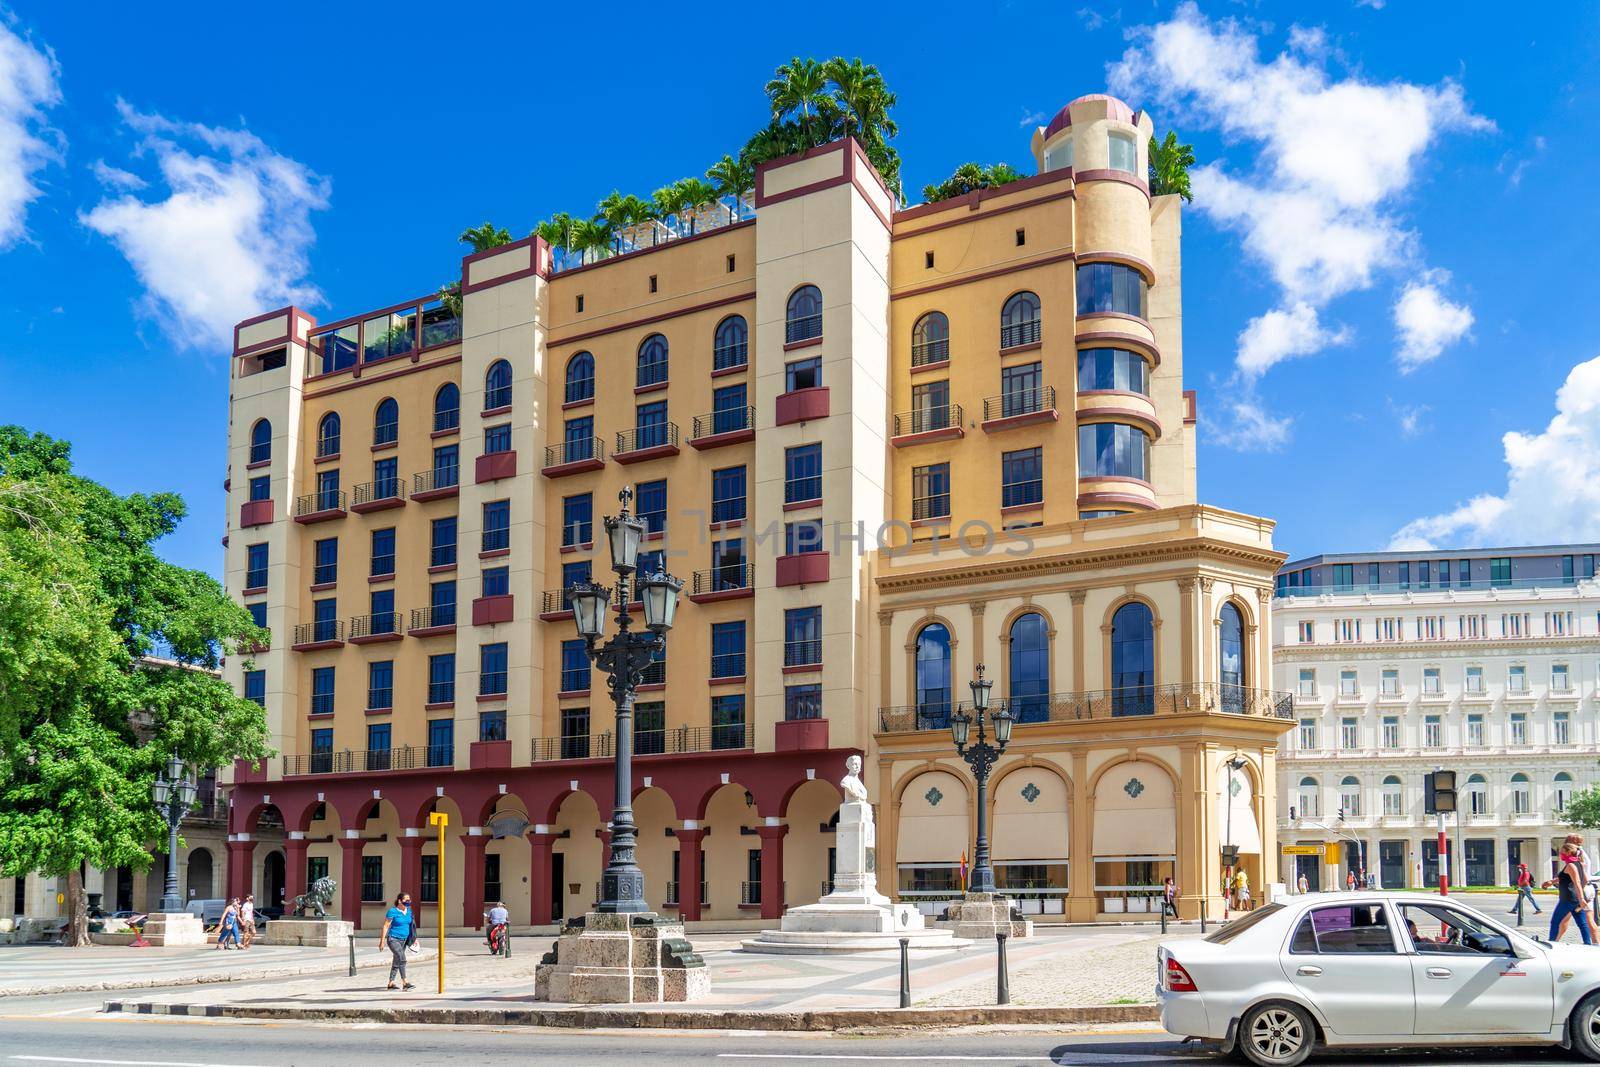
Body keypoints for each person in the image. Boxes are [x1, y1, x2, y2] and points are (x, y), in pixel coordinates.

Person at [1543, 844, 1593, 945]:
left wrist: (1581, 898)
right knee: (1582, 924)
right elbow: (1584, 880)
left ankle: (1552, 943)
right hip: (1575, 899)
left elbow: (1577, 882)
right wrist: (1552, 882)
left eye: (1562, 851)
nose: (1561, 854)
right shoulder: (1579, 863)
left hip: (1567, 899)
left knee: (1555, 922)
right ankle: (1588, 944)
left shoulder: (1571, 865)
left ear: (1568, 852)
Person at [379, 893, 416, 990]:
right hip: (393, 939)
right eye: (406, 900)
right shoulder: (393, 911)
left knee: (397, 961)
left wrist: (414, 939)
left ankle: (391, 983)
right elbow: (386, 926)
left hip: (404, 940)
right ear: (400, 901)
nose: (408, 901)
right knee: (402, 958)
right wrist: (382, 941)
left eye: (409, 899)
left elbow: (412, 926)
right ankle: (405, 983)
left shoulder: (409, 911)